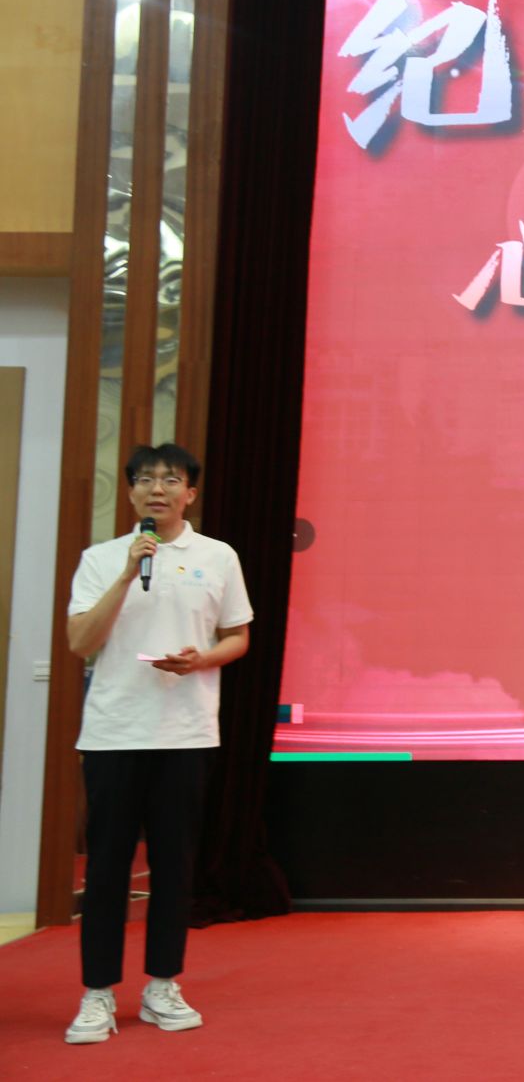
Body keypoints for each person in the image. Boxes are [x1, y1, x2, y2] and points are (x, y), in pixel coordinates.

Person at [62, 443, 252, 1045]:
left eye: (171, 480)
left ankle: (162, 984)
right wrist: (127, 574)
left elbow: (238, 636)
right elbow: (80, 641)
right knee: (107, 868)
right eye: (145, 480)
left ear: (190, 493)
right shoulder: (102, 559)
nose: (157, 489)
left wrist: (202, 661)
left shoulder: (218, 556)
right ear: (131, 493)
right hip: (115, 733)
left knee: (174, 865)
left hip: (185, 732)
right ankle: (97, 993)